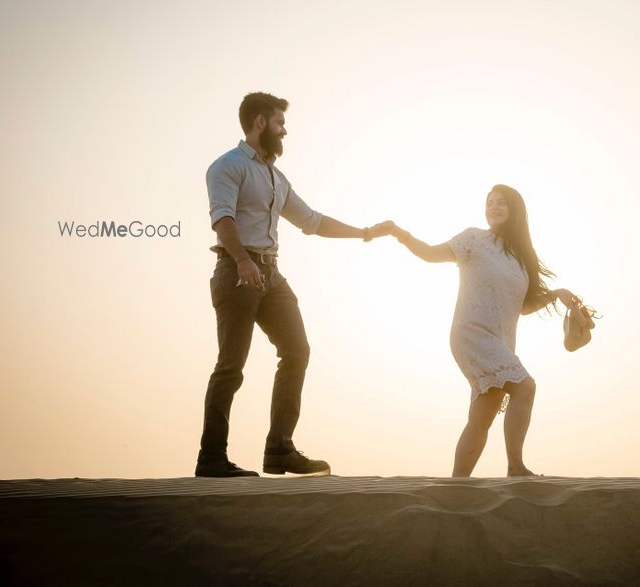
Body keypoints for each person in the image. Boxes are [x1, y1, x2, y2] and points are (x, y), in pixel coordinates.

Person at [197, 91, 389, 478]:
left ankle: (279, 450)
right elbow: (223, 219)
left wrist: (366, 233)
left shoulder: (275, 178)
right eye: (280, 123)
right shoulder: (227, 166)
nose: (285, 131)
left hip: (271, 275)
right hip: (237, 272)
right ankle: (211, 458)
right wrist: (242, 260)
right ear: (259, 123)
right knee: (231, 366)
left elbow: (312, 221)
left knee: (297, 350)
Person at [384, 185, 582, 477]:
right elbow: (429, 254)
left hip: (500, 339)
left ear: (515, 210)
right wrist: (400, 234)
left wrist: (556, 294)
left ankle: (458, 483)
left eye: (501, 203)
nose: (494, 207)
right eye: (490, 203)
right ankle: (515, 466)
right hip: (471, 333)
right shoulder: (474, 239)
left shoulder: (522, 259)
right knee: (525, 387)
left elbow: (523, 307)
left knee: (484, 413)